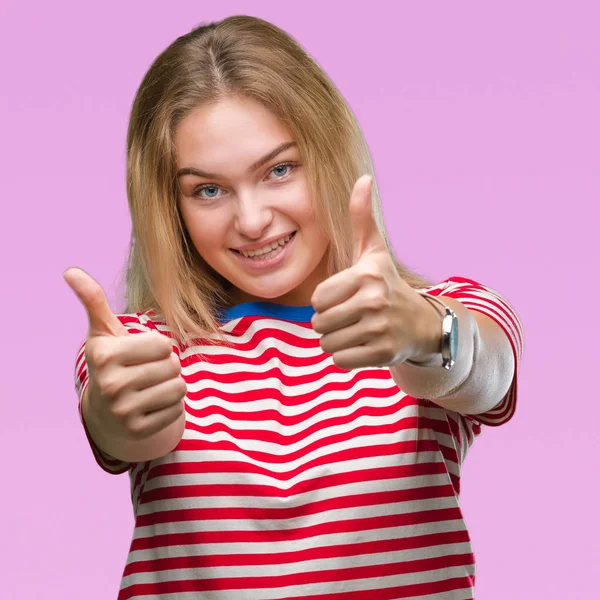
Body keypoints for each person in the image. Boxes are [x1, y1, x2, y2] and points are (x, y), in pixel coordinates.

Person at [64, 15, 524, 600]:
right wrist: (115, 410)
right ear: (169, 206)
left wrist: (427, 335)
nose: (252, 220)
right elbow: (120, 429)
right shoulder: (137, 348)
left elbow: (488, 371)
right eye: (208, 190)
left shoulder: (438, 315)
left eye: (279, 170)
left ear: (327, 155)